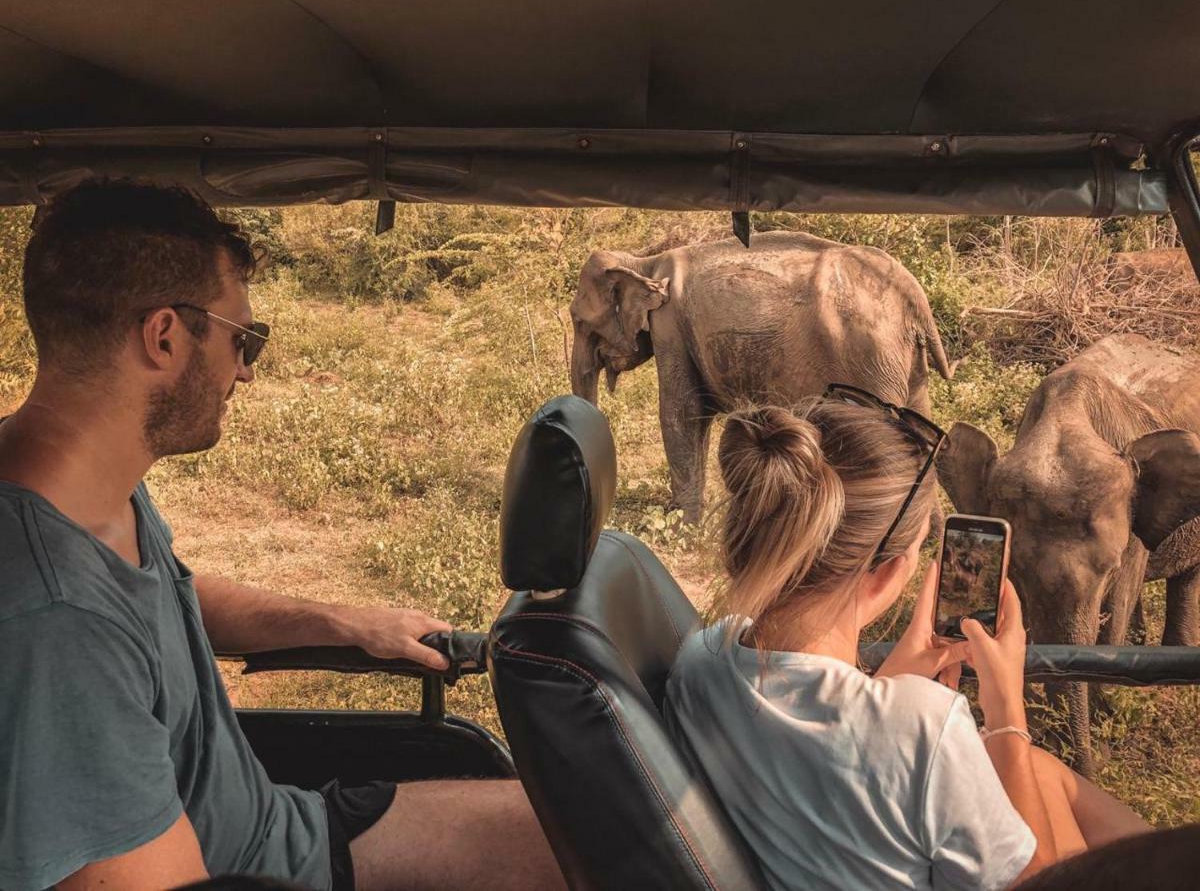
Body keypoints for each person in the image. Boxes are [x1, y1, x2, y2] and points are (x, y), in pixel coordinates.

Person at [0, 180, 564, 891]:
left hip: (282, 828)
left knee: (589, 831)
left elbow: (163, 599)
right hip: (251, 871)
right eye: (244, 339)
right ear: (166, 336)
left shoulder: (84, 488)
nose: (245, 369)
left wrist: (340, 623)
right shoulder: (53, 623)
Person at [664, 391, 1151, 890]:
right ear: (887, 573)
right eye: (919, 548)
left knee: (1041, 771)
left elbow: (831, 755)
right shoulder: (923, 725)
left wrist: (888, 682)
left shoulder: (702, 659)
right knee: (1020, 757)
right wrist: (1007, 712)